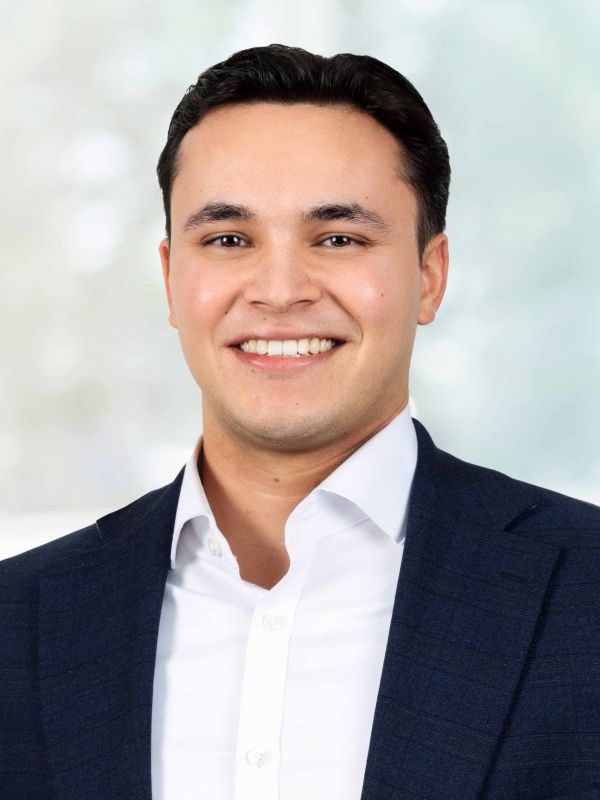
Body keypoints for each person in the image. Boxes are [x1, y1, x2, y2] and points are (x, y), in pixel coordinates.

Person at [1, 43, 599, 800]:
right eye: (228, 240)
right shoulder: (19, 620)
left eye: (339, 239)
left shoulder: (585, 593)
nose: (280, 290)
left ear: (429, 276)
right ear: (172, 277)